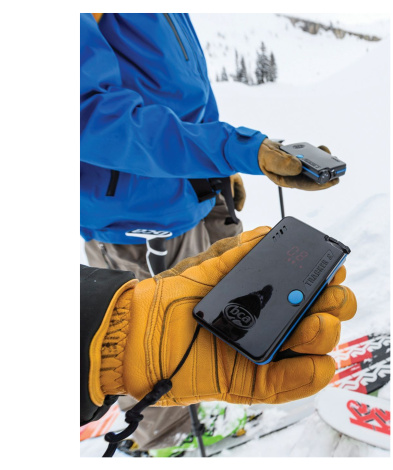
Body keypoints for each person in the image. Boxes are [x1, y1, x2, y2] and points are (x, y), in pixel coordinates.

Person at [80, 12, 339, 453]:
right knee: (146, 334)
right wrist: (232, 149)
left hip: (188, 190)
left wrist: (214, 169)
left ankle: (215, 405)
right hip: (133, 211)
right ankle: (164, 435)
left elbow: (182, 90)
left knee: (220, 310)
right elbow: (92, 117)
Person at [80, 227, 357, 430]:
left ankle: (172, 425)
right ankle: (165, 433)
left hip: (186, 211)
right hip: (127, 227)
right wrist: (125, 332)